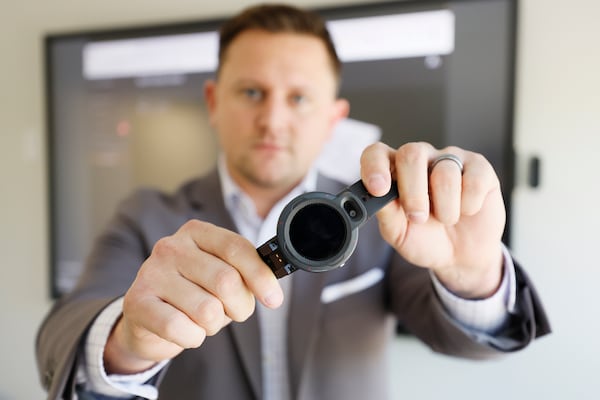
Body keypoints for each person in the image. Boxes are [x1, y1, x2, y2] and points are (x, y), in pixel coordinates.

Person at [36, 4, 550, 400]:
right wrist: (126, 342)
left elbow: (467, 342)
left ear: (334, 115)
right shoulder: (147, 218)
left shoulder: (392, 219)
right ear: (215, 103)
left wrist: (474, 271)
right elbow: (61, 333)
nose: (273, 121)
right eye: (252, 93)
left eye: (299, 98)